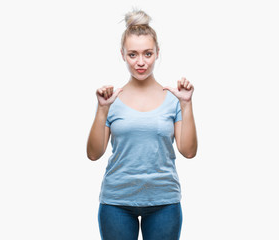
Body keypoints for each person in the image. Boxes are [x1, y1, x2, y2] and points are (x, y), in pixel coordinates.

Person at [86, 9, 197, 240]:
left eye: (147, 54)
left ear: (157, 53)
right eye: (133, 55)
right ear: (123, 54)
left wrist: (186, 105)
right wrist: (102, 109)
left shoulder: (173, 99)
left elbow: (188, 151)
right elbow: (94, 154)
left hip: (163, 201)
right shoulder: (111, 100)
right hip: (117, 201)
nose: (141, 62)